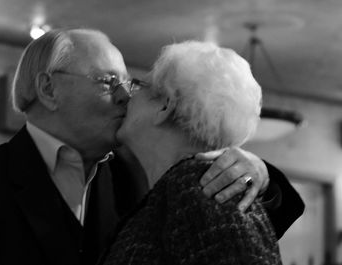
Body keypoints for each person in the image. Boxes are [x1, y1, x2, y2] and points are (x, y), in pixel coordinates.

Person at [0, 29, 303, 265]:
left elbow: (241, 233)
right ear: (49, 89)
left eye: (130, 83)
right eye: (109, 80)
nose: (123, 96)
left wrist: (258, 173)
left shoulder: (145, 173)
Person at [102, 41, 284, 265]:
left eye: (138, 86)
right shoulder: (192, 186)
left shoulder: (200, 189)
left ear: (165, 106)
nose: (127, 96)